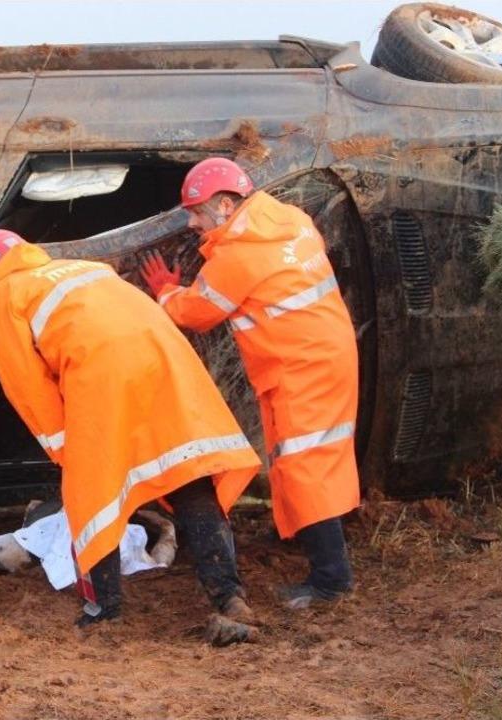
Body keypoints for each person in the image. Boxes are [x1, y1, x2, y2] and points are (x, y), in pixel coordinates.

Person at [0, 230, 263, 646]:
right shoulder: (86, 268)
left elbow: (24, 383)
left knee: (91, 493)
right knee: (186, 476)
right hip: (167, 361)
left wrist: (61, 445)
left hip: (102, 372)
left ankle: (104, 608)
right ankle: (229, 596)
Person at [138, 157, 360, 609]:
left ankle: (331, 581)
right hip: (323, 356)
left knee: (305, 466)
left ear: (224, 205)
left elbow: (195, 313)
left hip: (301, 368)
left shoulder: (238, 256)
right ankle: (317, 550)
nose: (192, 222)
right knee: (313, 459)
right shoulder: (289, 220)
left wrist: (165, 291)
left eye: (197, 212)